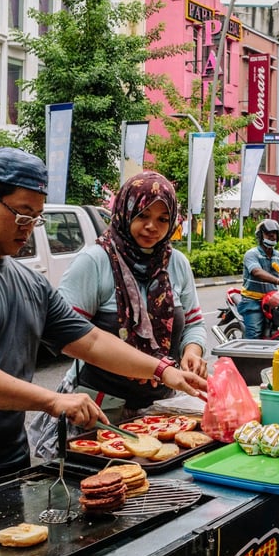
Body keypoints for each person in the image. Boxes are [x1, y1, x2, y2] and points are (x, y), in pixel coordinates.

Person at [0, 148, 207, 512]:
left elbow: (92, 340)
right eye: (21, 214)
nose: (29, 227)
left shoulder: (27, 282)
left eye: (37, 217)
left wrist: (166, 372)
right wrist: (53, 401)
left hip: (7, 462)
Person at [27, 171, 208, 460]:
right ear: (125, 211)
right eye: (143, 215)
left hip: (160, 407)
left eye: (163, 219)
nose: (152, 227)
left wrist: (192, 351)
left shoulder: (176, 263)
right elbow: (68, 335)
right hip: (100, 410)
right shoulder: (94, 262)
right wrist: (159, 368)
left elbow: (195, 323)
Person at [238, 219, 279, 339]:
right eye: (268, 233)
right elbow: (257, 272)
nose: (272, 236)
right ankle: (247, 356)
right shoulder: (252, 254)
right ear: (260, 236)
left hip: (272, 302)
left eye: (274, 233)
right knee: (254, 334)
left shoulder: (278, 256)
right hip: (253, 301)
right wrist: (278, 281)